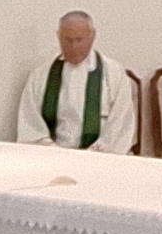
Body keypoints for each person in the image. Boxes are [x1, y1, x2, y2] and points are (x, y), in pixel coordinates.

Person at [13, 12, 139, 153]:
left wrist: (89, 156)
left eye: (79, 40)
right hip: (53, 156)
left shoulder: (114, 74)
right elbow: (31, 126)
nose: (73, 47)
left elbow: (120, 125)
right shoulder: (41, 75)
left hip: (100, 157)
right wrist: (57, 153)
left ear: (92, 36)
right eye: (67, 40)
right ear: (58, 36)